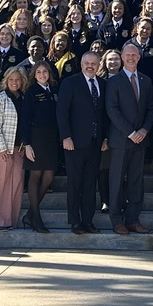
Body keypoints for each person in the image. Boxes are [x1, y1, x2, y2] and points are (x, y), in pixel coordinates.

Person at [105, 42, 153, 235]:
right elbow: (112, 110)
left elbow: (151, 109)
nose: (131, 58)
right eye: (128, 55)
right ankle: (117, 220)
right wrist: (130, 132)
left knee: (136, 181)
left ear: (139, 57)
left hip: (140, 141)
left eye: (134, 55)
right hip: (120, 140)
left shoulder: (146, 81)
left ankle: (133, 220)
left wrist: (143, 130)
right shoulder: (114, 81)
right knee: (117, 181)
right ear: (122, 57)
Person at [56, 52, 108, 234]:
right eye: (87, 63)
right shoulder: (70, 82)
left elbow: (104, 115)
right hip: (74, 143)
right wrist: (65, 137)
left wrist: (105, 138)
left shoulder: (103, 84)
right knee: (75, 183)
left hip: (95, 143)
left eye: (94, 63)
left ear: (99, 65)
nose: (90, 66)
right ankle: (75, 222)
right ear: (82, 64)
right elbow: (61, 112)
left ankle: (88, 221)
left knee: (89, 184)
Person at [20, 62, 59, 233]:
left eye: (45, 72)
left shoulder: (54, 91)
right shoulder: (31, 93)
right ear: (34, 75)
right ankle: (36, 217)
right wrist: (26, 143)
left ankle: (29, 215)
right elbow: (25, 120)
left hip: (51, 138)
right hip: (36, 137)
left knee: (49, 176)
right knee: (35, 176)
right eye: (39, 72)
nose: (42, 75)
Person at [0, 67, 27, 230]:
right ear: (6, 81)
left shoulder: (25, 98)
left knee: (16, 184)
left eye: (18, 79)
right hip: (1, 147)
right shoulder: (0, 98)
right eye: (11, 79)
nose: (15, 82)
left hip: (19, 147)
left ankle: (11, 220)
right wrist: (2, 147)